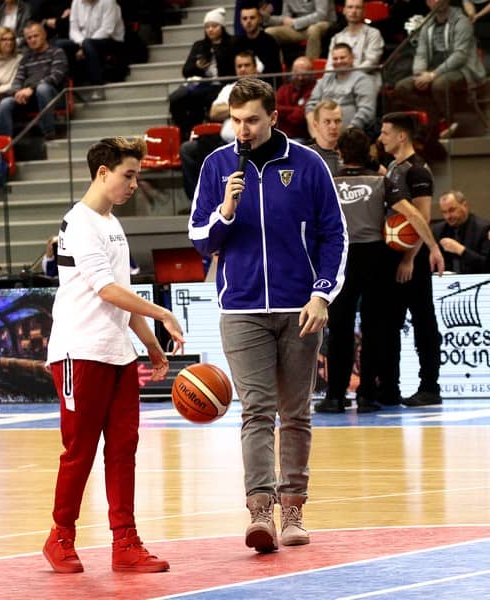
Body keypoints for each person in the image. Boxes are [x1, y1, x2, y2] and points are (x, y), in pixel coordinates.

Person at [188, 78, 348, 553]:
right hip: (241, 309)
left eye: (253, 120)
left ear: (273, 118)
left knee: (295, 413)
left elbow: (334, 235)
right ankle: (260, 512)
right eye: (236, 121)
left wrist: (322, 294)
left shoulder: (308, 164)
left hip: (300, 308)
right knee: (256, 410)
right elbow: (200, 240)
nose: (243, 129)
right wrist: (226, 211)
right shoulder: (216, 166)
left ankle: (293, 509)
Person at [42, 136, 185, 575]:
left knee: (123, 450)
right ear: (103, 173)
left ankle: (125, 542)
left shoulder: (112, 223)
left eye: (136, 176)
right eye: (129, 175)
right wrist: (162, 313)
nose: (134, 184)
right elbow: (106, 289)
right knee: (80, 451)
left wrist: (151, 344)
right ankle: (60, 537)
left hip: (117, 353)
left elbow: (121, 295)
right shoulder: (79, 223)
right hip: (79, 352)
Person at [317, 127, 439, 414]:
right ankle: (367, 396)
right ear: (368, 153)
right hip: (375, 257)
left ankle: (335, 396)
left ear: (340, 153)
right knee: (374, 329)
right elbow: (414, 215)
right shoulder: (380, 181)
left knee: (340, 327)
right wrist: (433, 246)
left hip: (341, 257)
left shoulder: (328, 183)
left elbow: (311, 222)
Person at [374, 112, 445, 408]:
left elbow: (422, 218)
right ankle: (389, 387)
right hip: (393, 256)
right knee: (389, 323)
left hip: (413, 258)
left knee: (423, 322)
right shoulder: (393, 166)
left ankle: (430, 386)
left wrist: (409, 259)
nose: (381, 138)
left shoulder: (418, 172)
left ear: (401, 136)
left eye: (385, 133)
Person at [393, 0, 485, 139]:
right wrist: (419, 74)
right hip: (432, 71)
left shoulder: (462, 21)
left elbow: (459, 56)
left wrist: (433, 75)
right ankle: (435, 117)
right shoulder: (426, 24)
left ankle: (448, 122)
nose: (436, 1)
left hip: (463, 70)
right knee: (402, 87)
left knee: (439, 84)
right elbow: (421, 53)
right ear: (427, 3)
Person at [179, 50, 259, 200]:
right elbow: (214, 112)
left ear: (255, 68)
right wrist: (240, 106)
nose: (242, 69)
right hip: (224, 140)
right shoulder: (229, 89)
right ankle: (199, 199)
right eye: (239, 66)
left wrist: (231, 109)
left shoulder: (262, 90)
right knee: (188, 149)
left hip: (251, 142)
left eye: (247, 65)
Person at [168, 8, 235, 140]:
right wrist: (197, 67)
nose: (210, 30)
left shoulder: (232, 43)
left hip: (223, 85)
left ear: (222, 27)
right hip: (201, 84)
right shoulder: (199, 45)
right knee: (176, 98)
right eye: (207, 27)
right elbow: (186, 71)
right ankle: (184, 133)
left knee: (203, 101)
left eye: (214, 26)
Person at [0, 21, 69, 141]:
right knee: (5, 103)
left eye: (36, 36)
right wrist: (17, 92)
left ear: (44, 35)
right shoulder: (26, 58)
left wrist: (32, 88)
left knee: (43, 88)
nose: (32, 40)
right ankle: (6, 144)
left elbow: (55, 77)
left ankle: (49, 133)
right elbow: (17, 80)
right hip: (30, 99)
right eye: (29, 38)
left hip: (54, 97)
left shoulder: (57, 52)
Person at [305, 43, 378, 135]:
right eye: (335, 59)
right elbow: (310, 107)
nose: (339, 61)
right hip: (322, 137)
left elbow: (366, 111)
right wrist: (316, 134)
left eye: (342, 58)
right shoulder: (324, 80)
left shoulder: (363, 80)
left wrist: (348, 134)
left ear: (352, 58)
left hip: (350, 136)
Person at [57, 0, 127, 86]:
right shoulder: (76, 2)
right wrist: (82, 44)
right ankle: (74, 82)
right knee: (60, 44)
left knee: (88, 44)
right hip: (83, 41)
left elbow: (107, 30)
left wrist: (85, 46)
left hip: (110, 42)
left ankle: (96, 85)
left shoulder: (109, 2)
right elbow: (73, 30)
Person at [431, 189, 490, 274]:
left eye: (452, 210)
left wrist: (461, 250)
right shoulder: (438, 230)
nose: (448, 216)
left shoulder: (484, 228)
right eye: (444, 212)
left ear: (465, 206)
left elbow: (488, 265)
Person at [325, 0, 384, 75]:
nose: (353, 11)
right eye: (350, 7)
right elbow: (329, 67)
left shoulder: (373, 34)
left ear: (364, 11)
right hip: (340, 79)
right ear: (344, 11)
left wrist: (348, 77)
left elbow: (371, 62)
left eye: (358, 7)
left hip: (366, 78)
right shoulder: (336, 38)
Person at [264, 0, 335, 60]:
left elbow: (321, 15)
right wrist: (266, 17)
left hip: (323, 23)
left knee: (313, 29)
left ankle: (310, 65)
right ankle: (277, 66)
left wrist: (295, 22)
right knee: (269, 32)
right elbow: (286, 18)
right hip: (301, 28)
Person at [233, 4, 282, 85]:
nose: (248, 21)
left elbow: (276, 73)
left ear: (259, 19)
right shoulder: (237, 43)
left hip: (266, 86)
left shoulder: (270, 42)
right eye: (244, 18)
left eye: (252, 18)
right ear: (240, 21)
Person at [275, 56, 316, 141]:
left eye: (304, 74)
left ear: (311, 73)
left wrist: (285, 112)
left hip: (304, 137)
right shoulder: (284, 88)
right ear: (292, 73)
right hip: (282, 135)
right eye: (297, 74)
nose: (300, 78)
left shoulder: (315, 89)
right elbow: (275, 108)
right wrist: (295, 109)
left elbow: (299, 117)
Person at [306, 98, 343, 175]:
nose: (333, 126)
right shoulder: (304, 154)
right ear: (316, 125)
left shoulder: (349, 153)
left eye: (337, 121)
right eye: (327, 122)